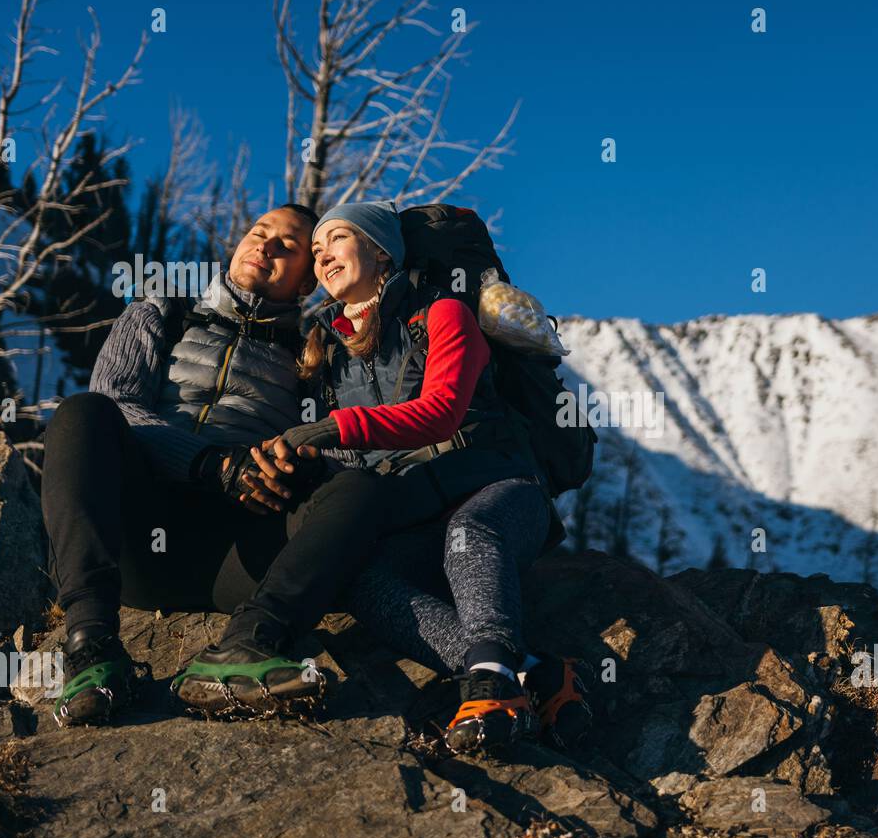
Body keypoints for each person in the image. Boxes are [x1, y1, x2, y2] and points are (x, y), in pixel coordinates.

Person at [262, 200, 591, 753]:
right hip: (414, 512)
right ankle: (533, 673)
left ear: (380, 249)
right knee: (362, 582)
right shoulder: (325, 346)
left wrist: (328, 430)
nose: (322, 257)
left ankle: (492, 690)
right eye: (315, 251)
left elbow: (441, 411)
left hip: (501, 491)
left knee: (471, 535)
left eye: (337, 239)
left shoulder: (442, 314)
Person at [41, 204, 386, 725]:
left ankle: (248, 643)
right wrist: (209, 464)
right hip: (135, 535)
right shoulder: (163, 310)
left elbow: (341, 446)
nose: (265, 246)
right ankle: (92, 647)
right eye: (258, 233)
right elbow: (117, 403)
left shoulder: (318, 349)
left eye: (287, 246)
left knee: (360, 489)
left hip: (239, 555)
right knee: (82, 413)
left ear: (306, 283)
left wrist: (299, 463)